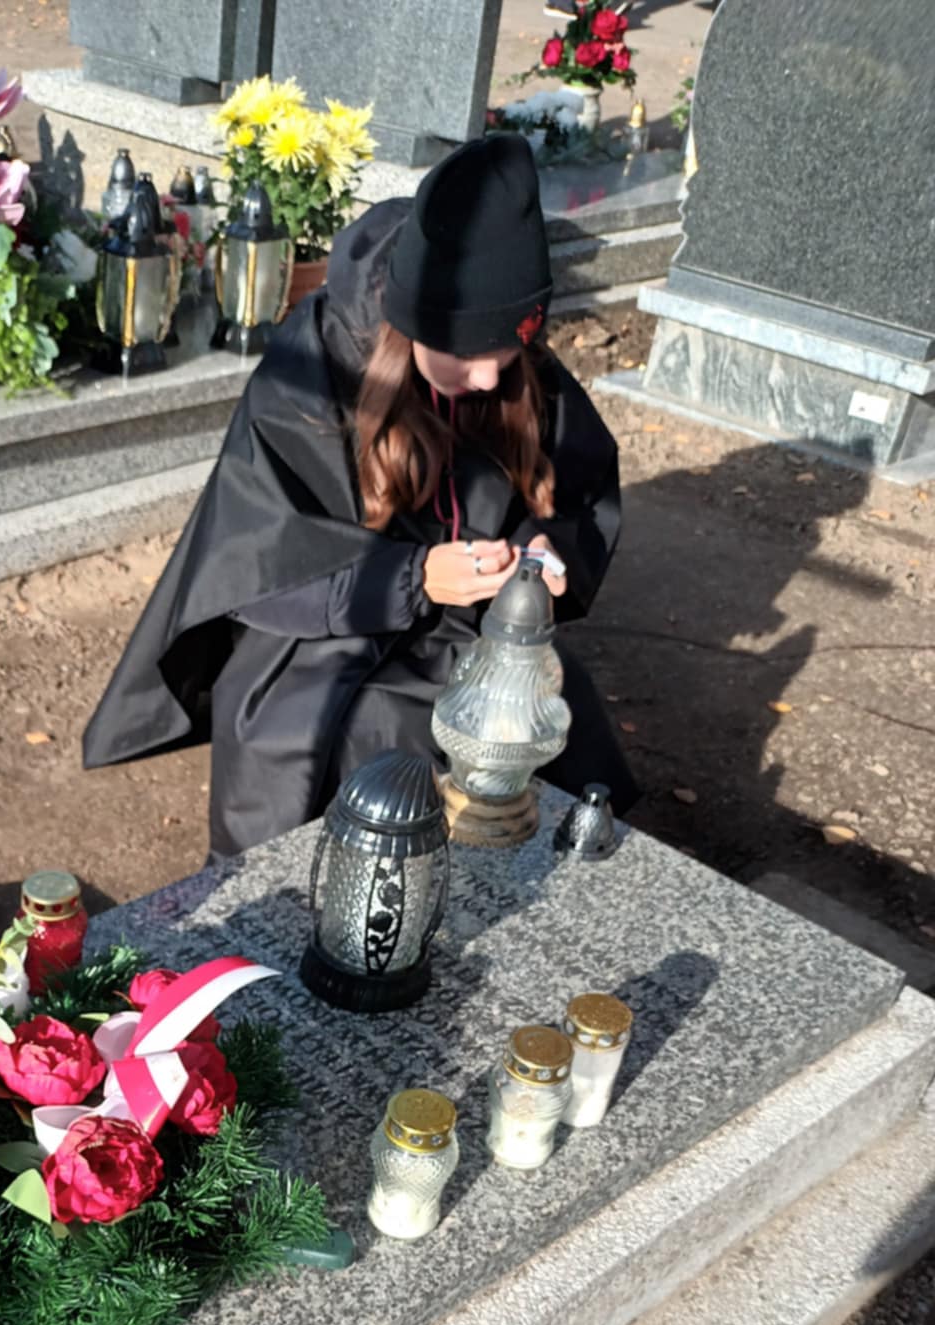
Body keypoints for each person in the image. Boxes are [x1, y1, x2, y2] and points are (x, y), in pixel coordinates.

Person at [82, 133, 638, 856]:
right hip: (327, 625)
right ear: (412, 326)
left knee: (540, 717)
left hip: (471, 626)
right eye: (469, 357)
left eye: (505, 358)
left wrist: (542, 549)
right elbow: (258, 555)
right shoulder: (314, 364)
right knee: (383, 735)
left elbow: (577, 489)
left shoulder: (504, 357)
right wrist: (415, 577)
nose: (487, 380)